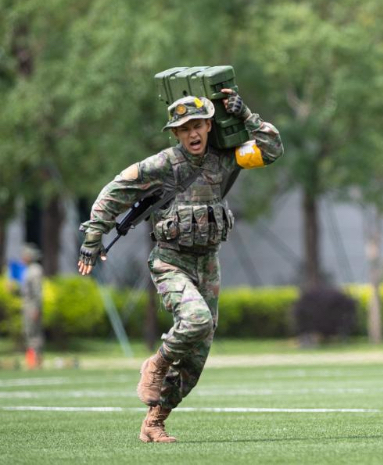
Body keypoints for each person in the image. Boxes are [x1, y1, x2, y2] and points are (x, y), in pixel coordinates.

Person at [78, 89, 283, 442]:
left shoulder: (226, 158)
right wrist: (93, 238)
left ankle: (155, 421)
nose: (193, 133)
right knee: (196, 320)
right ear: (175, 133)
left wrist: (246, 114)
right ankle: (155, 365)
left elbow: (271, 149)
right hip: (171, 261)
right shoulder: (162, 165)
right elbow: (115, 191)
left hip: (209, 265)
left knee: (197, 357)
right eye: (184, 128)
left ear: (209, 125)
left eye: (199, 125)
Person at [19, 243, 44, 369]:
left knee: (34, 333)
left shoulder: (35, 270)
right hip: (27, 304)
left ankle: (35, 361)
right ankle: (32, 360)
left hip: (32, 306)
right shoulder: (28, 269)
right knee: (29, 332)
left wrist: (36, 308)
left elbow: (37, 292)